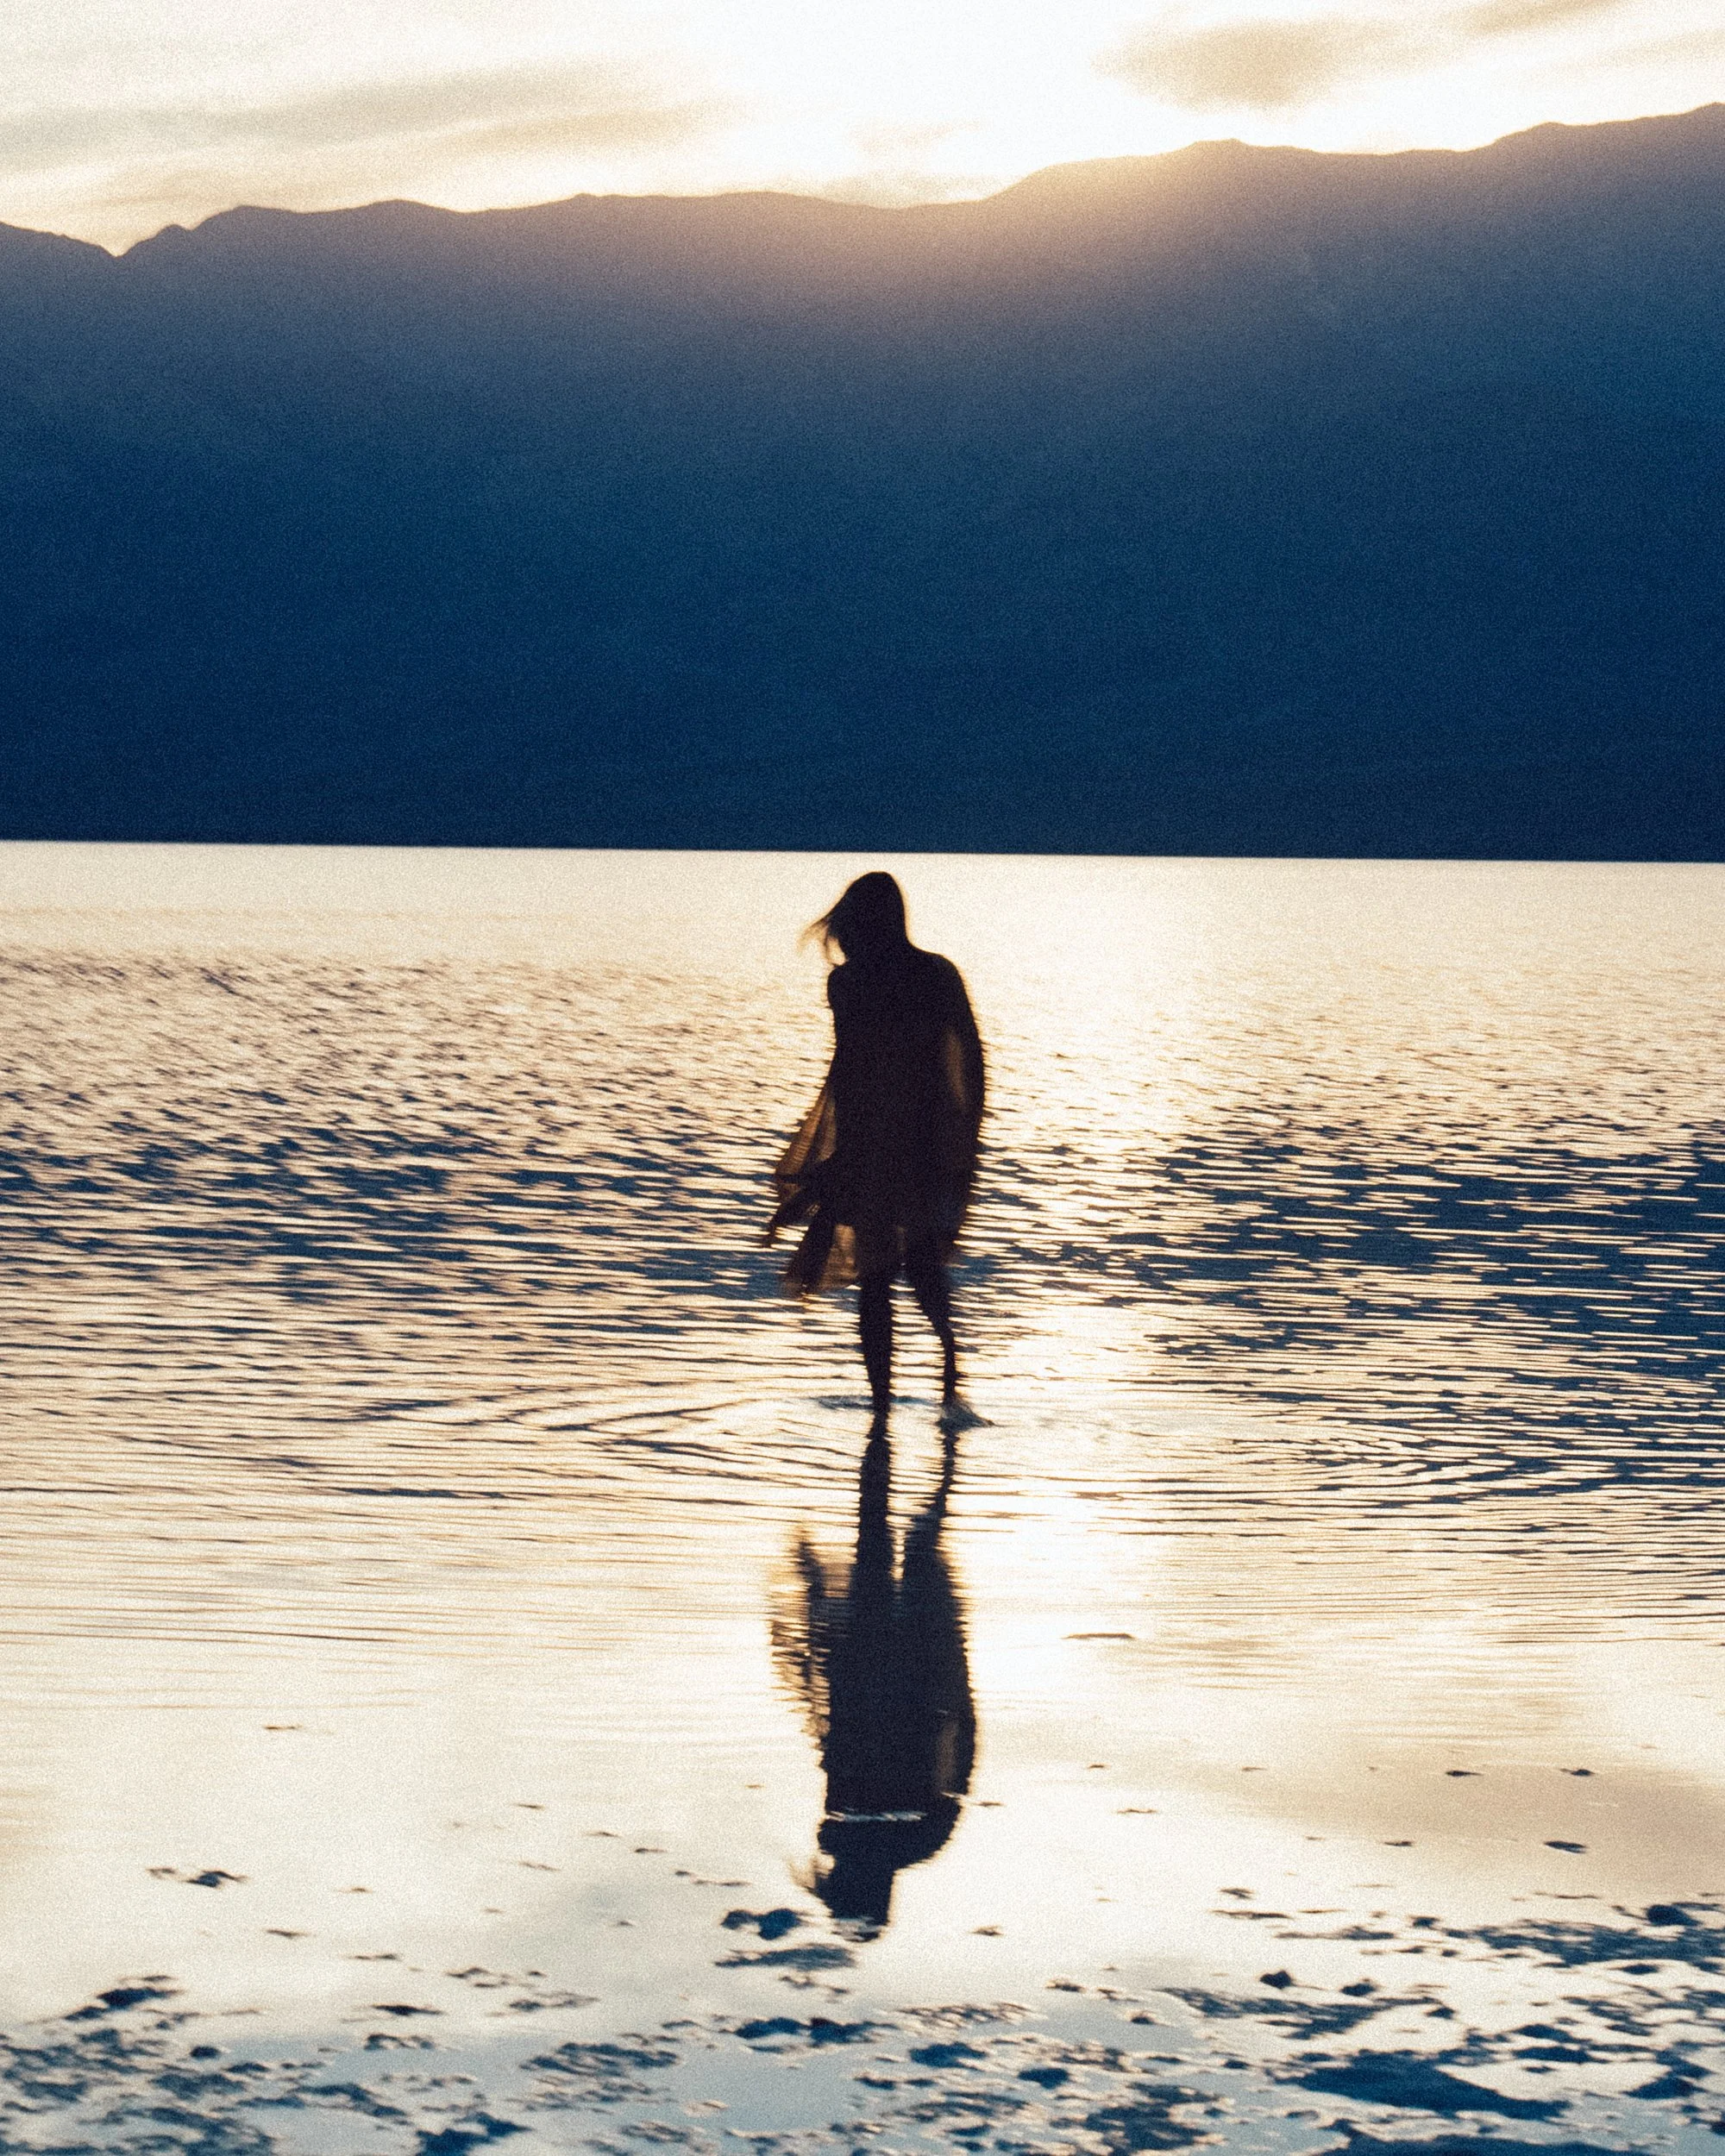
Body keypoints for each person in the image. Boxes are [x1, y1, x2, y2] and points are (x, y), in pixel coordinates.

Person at [767, 872, 985, 1438]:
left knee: (894, 1271)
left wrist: (836, 1156)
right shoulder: (922, 976)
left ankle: (900, 1398)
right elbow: (859, 1069)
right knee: (892, 1270)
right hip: (898, 1139)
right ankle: (899, 1398)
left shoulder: (886, 980)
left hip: (906, 1140)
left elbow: (858, 1071)